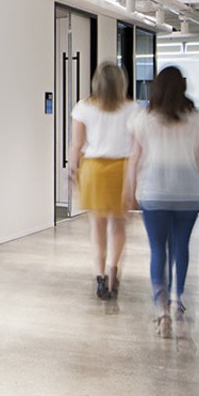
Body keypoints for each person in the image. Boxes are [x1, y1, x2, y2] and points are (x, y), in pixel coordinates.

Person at [123, 66, 199, 337]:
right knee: (181, 248)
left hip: (153, 193)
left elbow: (134, 158)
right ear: (182, 87)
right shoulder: (196, 120)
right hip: (188, 194)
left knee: (158, 250)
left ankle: (161, 312)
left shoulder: (142, 119)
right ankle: (176, 301)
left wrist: (129, 192)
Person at [69, 62, 138, 301]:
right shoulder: (133, 109)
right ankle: (113, 271)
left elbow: (77, 145)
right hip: (122, 169)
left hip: (94, 170)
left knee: (97, 226)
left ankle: (99, 275)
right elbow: (136, 147)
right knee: (118, 226)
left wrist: (72, 168)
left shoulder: (83, 108)